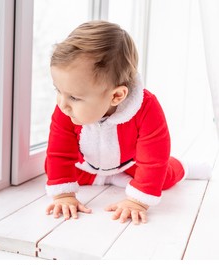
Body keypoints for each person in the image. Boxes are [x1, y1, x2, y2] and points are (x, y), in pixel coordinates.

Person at [44, 20, 189, 225]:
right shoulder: (66, 108)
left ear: (117, 96)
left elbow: (153, 157)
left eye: (74, 98)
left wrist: (138, 201)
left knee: (162, 175)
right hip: (87, 166)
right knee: (54, 169)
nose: (62, 103)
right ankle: (105, 178)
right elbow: (59, 152)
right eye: (58, 90)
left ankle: (184, 166)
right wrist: (63, 194)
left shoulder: (146, 108)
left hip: (130, 163)